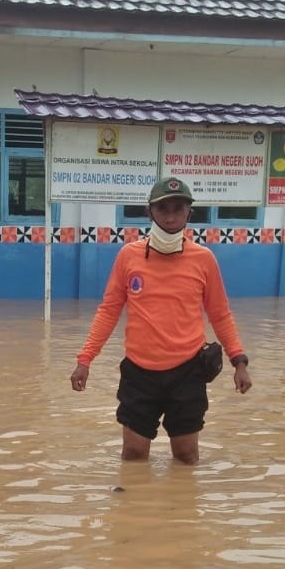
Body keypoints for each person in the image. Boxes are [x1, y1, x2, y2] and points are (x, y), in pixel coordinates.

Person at [69, 176, 252, 465]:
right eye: (163, 208)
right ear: (149, 212)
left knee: (186, 455)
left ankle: (179, 509)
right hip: (139, 373)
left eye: (178, 208)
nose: (170, 216)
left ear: (189, 213)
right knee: (133, 453)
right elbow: (109, 310)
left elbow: (220, 314)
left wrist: (239, 362)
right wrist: (85, 359)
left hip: (188, 372)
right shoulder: (128, 256)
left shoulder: (204, 259)